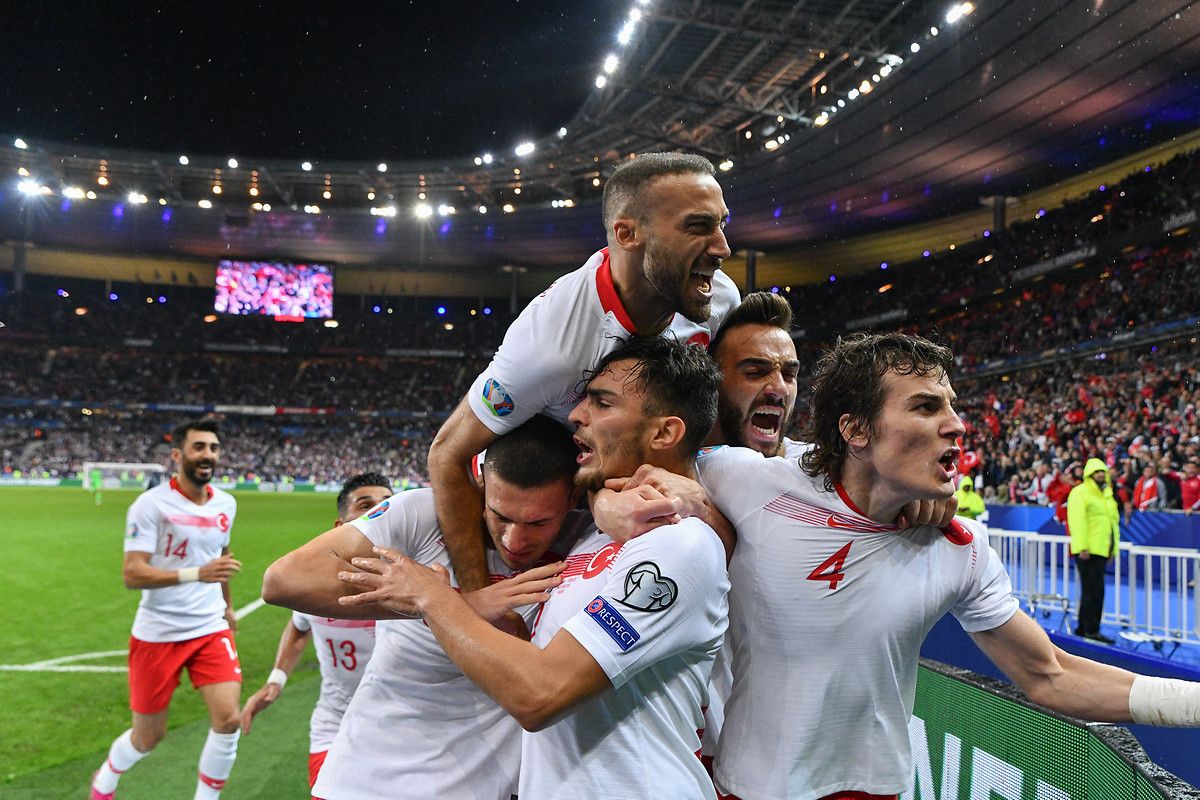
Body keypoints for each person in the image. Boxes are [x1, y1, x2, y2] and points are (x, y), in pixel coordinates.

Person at [693, 332, 1200, 800]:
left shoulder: (959, 546)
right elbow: (654, 451)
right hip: (745, 788)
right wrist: (652, 488)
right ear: (856, 429)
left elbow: (1051, 674)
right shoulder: (753, 484)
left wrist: (1191, 703)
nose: (956, 424)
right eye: (926, 406)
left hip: (873, 790)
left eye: (952, 405)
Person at [342, 337, 730, 800]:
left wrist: (433, 597)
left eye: (602, 402)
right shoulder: (596, 531)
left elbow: (539, 694)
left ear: (665, 433)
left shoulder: (679, 543)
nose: (577, 415)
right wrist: (603, 499)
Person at [427, 151, 740, 597]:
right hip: (556, 509)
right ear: (627, 234)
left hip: (647, 491)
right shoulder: (551, 347)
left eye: (722, 224)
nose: (722, 247)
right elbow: (446, 454)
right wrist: (478, 596)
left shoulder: (718, 297)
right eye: (697, 226)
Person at [261, 415, 588, 800]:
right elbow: (283, 581)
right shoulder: (422, 514)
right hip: (370, 782)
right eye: (500, 516)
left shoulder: (588, 537)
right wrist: (443, 602)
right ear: (480, 484)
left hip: (488, 788)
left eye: (539, 522)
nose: (514, 540)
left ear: (573, 498)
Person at [91, 419, 242, 800]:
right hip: (158, 631)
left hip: (209, 628)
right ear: (177, 455)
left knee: (229, 719)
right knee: (147, 736)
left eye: (213, 448)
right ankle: (106, 777)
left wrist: (227, 607)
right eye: (199, 447)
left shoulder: (226, 504)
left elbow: (220, 559)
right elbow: (132, 573)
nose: (208, 455)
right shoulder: (150, 505)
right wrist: (196, 574)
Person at [239, 472, 394, 791]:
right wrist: (276, 680)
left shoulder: (420, 584)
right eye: (365, 506)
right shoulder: (317, 585)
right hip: (334, 724)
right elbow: (299, 628)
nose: (380, 514)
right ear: (340, 528)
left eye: (388, 505)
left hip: (398, 727)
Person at [1068, 458, 1121, 644]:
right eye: (1096, 472)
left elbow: (1113, 524)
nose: (1100, 475)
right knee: (1093, 591)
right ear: (1089, 475)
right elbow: (1077, 521)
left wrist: (1112, 549)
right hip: (1088, 550)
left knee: (1093, 590)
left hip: (1101, 550)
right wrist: (1082, 546)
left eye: (1102, 471)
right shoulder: (1079, 492)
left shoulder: (1107, 494)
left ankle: (1085, 628)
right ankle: (1091, 629)